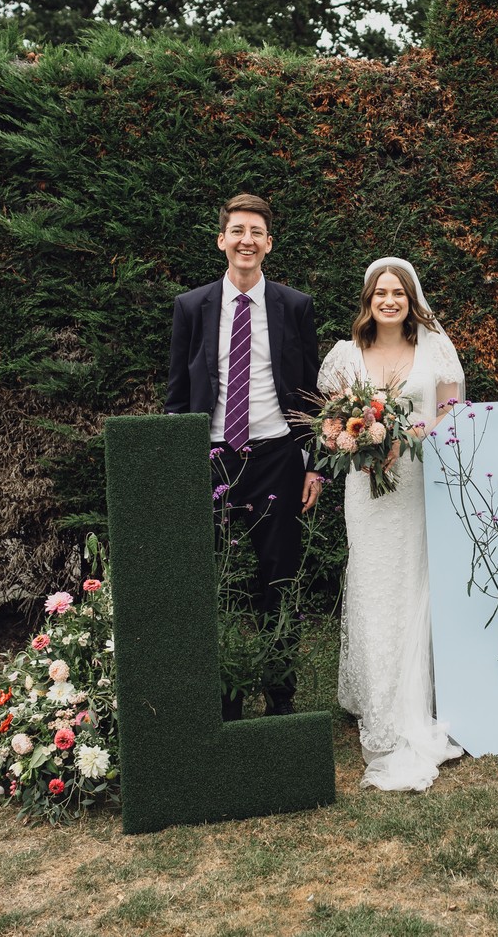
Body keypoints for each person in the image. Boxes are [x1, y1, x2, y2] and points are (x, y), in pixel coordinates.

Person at [166, 193, 323, 720]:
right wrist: (180, 464)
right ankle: (225, 698)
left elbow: (311, 396)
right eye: (237, 230)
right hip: (213, 459)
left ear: (269, 243)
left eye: (256, 232)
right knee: (217, 581)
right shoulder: (191, 307)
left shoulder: (295, 306)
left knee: (279, 578)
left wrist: (314, 465)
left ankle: (281, 698)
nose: (246, 240)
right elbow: (176, 397)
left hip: (277, 457)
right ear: (222, 240)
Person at [320, 257, 465, 791]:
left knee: (415, 582)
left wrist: (412, 435)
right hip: (367, 488)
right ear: (368, 300)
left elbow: (453, 412)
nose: (389, 300)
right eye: (380, 293)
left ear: (411, 300)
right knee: (373, 584)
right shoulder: (345, 355)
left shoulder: (436, 350)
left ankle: (417, 697)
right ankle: (378, 701)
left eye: (398, 293)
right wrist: (352, 439)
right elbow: (331, 423)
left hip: (420, 482)